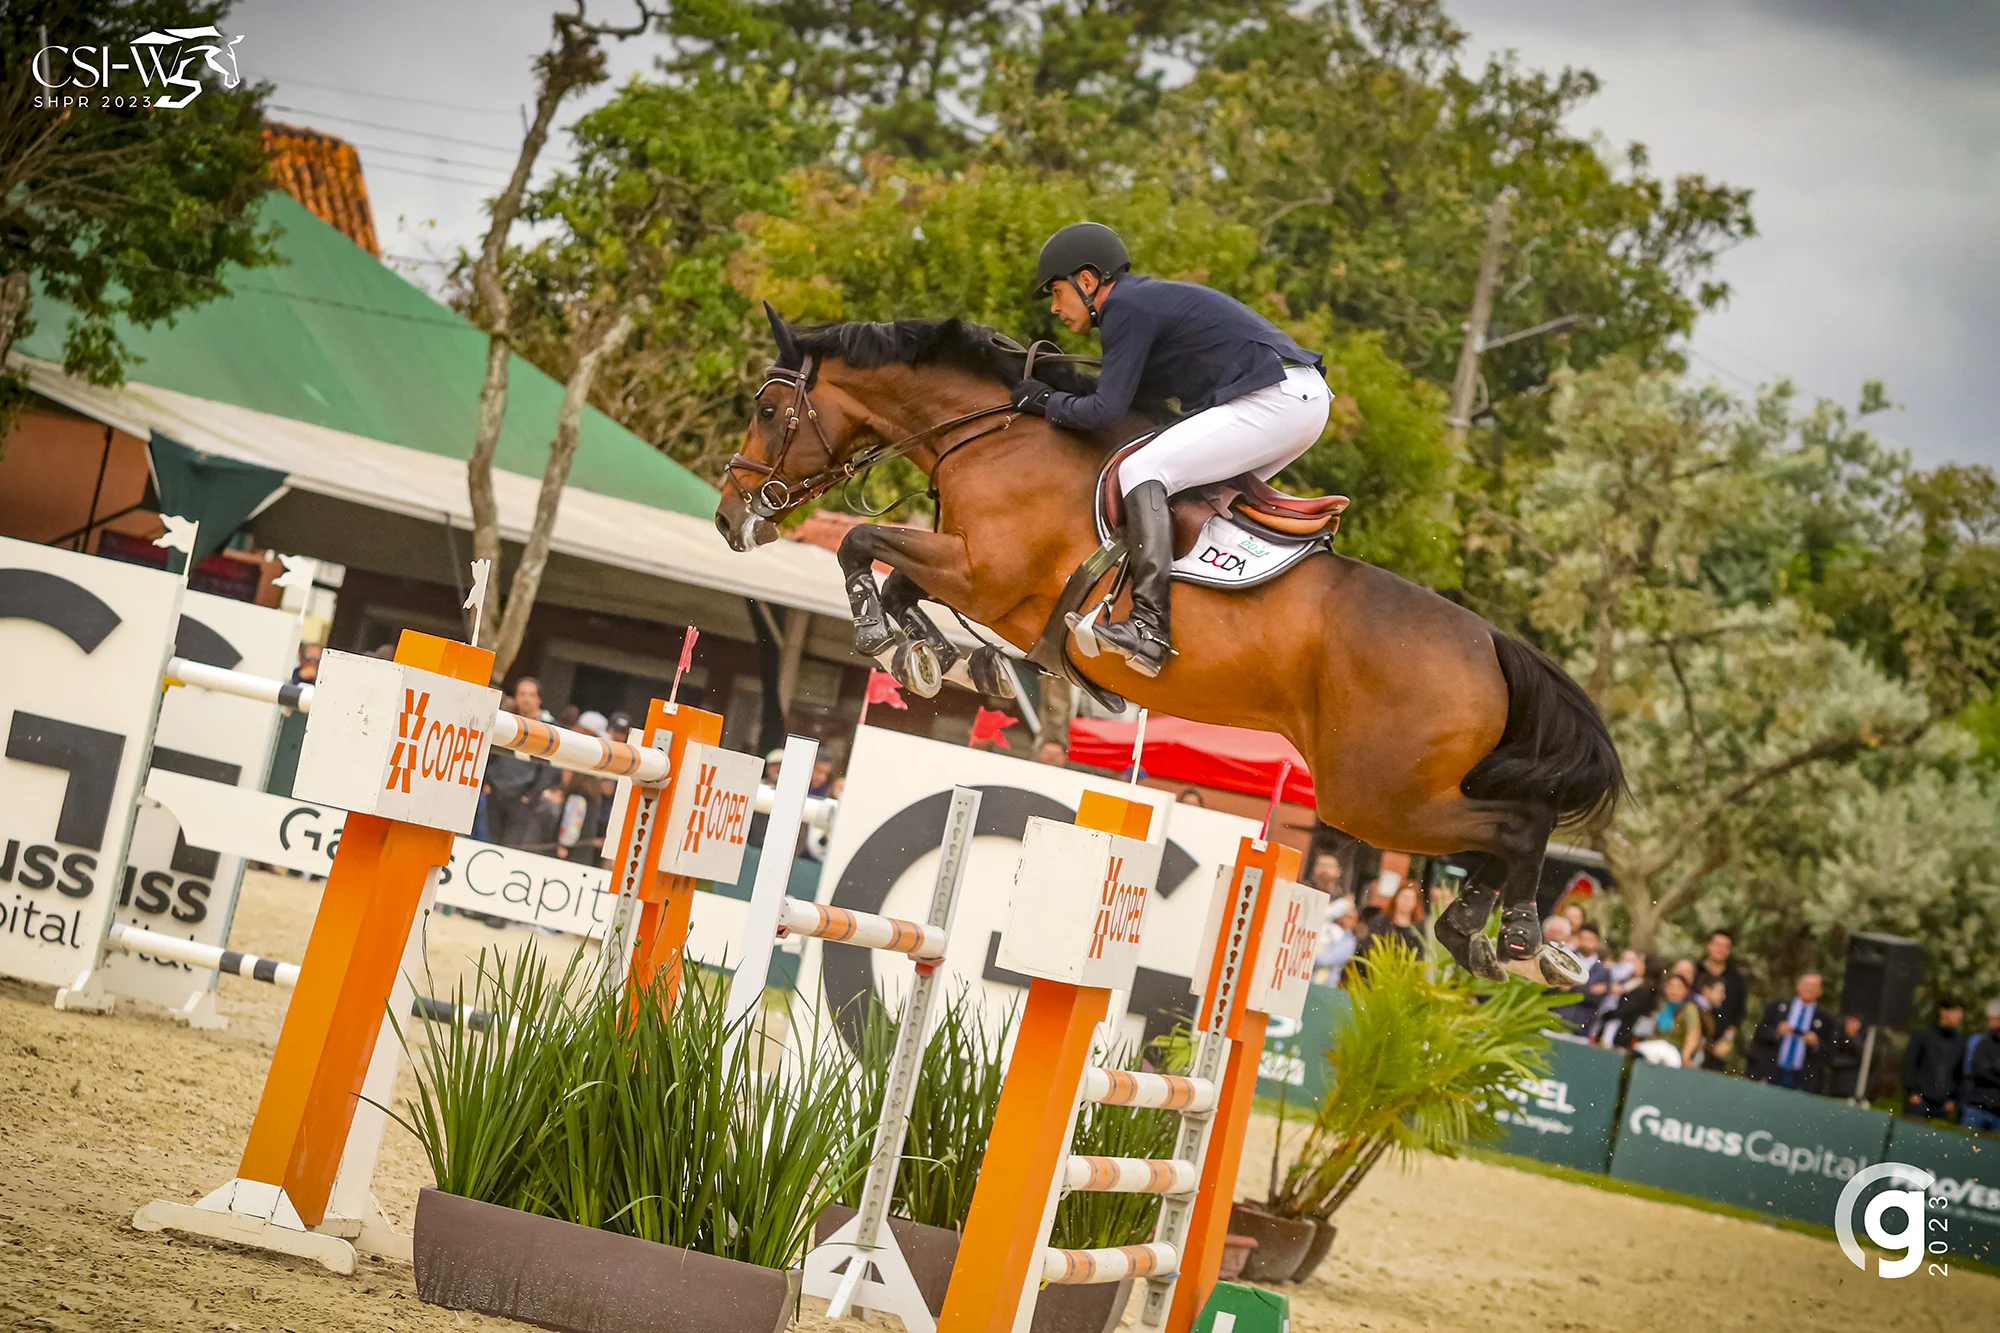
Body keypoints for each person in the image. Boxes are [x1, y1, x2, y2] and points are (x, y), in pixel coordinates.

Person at [1009, 222, 1331, 677]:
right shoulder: (1140, 305)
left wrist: (1043, 401)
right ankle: (1200, 617)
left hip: (1277, 398)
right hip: (1297, 400)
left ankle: (1149, 627)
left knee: (1142, 470)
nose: (1056, 308)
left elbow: (1104, 411)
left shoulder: (1125, 306)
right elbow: (1129, 404)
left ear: (1086, 281)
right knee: (1186, 493)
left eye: (1057, 292)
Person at [483, 678, 559, 847]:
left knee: (512, 845)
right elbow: (490, 753)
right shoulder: (506, 721)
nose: (526, 699)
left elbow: (549, 768)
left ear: (539, 699)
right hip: (495, 792)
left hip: (522, 798)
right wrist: (486, 783)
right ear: (516, 697)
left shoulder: (547, 727)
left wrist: (530, 795)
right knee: (489, 844)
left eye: (531, 695)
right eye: (522, 694)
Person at [1747, 973, 1829, 1091]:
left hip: (1801, 1078)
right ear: (1798, 986)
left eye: (1814, 986)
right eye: (1807, 984)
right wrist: (1777, 1032)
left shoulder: (1825, 1019)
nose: (1809, 988)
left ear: (1820, 991)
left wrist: (1816, 1043)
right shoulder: (1776, 1007)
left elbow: (1830, 1052)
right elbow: (1759, 1033)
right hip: (1772, 1071)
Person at [1902, 997, 1967, 1121]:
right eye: (1956, 1012)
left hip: (1942, 1107)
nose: (1960, 1016)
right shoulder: (1923, 1035)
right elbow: (1909, 1064)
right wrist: (1913, 1092)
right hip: (1918, 1102)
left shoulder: (1960, 1043)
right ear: (1943, 1012)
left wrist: (1953, 1100)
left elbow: (1959, 1073)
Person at [1694, 930, 1748, 1055]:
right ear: (1709, 946)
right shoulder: (1696, 971)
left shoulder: (1736, 979)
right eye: (1718, 944)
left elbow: (1739, 1014)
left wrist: (1727, 1039)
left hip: (1717, 1045)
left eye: (1725, 947)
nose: (1721, 949)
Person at [1962, 999, 2000, 1133]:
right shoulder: (1981, 1042)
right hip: (1977, 1106)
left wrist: (1993, 1069)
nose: (1993, 1023)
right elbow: (1979, 1071)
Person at [1359, 884, 1424, 961]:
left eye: (1410, 898)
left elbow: (1418, 957)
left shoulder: (1418, 931)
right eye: (1404, 897)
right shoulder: (1380, 921)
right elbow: (1367, 947)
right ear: (1396, 898)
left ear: (1416, 903)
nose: (1406, 902)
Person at [1314, 897, 1360, 985]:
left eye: (1350, 918)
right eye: (1345, 915)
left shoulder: (1349, 942)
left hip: (1325, 986)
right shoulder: (1330, 930)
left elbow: (1325, 960)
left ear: (1355, 923)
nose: (1345, 919)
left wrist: (1308, 953)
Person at [1821, 1013, 1867, 1101]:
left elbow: (1863, 1057)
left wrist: (1853, 1036)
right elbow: (1830, 1053)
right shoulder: (1837, 1030)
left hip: (1850, 1082)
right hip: (1832, 1080)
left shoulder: (1865, 1035)